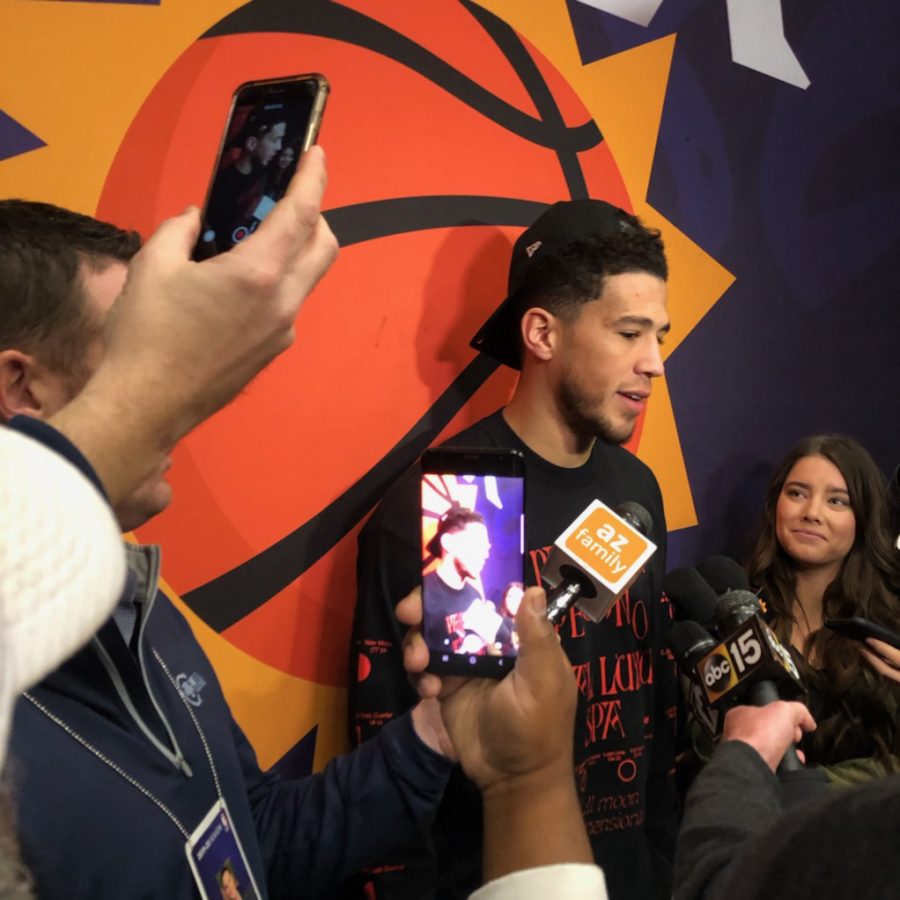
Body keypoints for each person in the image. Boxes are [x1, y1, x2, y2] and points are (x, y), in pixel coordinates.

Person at [0, 152, 463, 899]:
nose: (182, 397)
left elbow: (254, 841)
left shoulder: (141, 612)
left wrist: (436, 736)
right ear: (23, 387)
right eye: (131, 353)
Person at [349, 199, 680, 899]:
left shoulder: (637, 492)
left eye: (659, 336)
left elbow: (655, 701)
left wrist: (655, 863)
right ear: (541, 333)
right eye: (628, 333)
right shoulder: (444, 504)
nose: (653, 364)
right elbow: (383, 747)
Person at [746, 434, 900, 784]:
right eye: (797, 493)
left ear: (863, 517)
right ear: (775, 506)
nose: (812, 513)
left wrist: (814, 790)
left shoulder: (890, 621)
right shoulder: (739, 612)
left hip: (867, 827)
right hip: (761, 828)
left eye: (837, 501)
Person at [202, 107, 288, 254]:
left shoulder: (262, 173)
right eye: (275, 140)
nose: (279, 147)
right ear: (252, 144)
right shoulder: (224, 185)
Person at [423, 507, 498, 654]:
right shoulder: (424, 592)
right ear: (448, 543)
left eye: (487, 547)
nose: (486, 554)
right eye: (479, 544)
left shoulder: (475, 595)